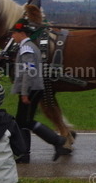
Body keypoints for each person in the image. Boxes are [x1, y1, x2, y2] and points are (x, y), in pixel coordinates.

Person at [10, 17, 70, 161]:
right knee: (23, 121)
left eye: (14, 33)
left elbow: (29, 71)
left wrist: (24, 93)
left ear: (22, 33)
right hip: (34, 88)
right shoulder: (31, 46)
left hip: (31, 89)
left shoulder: (26, 48)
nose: (12, 36)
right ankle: (24, 154)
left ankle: (57, 141)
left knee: (25, 121)